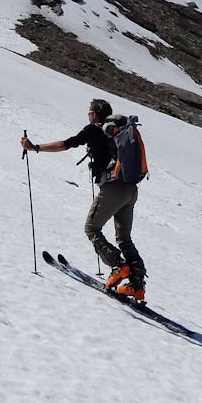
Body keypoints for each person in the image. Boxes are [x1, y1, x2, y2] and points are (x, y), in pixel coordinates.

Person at [21, 98, 148, 299]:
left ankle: (118, 266)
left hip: (113, 188)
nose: (88, 115)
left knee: (91, 228)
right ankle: (137, 285)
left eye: (89, 112)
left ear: (95, 114)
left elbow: (65, 144)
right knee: (124, 238)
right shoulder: (116, 132)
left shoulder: (94, 129)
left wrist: (35, 147)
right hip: (131, 188)